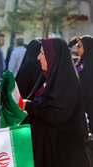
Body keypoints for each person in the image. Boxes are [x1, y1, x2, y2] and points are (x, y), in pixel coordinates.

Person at [23, 38, 90, 167]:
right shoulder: (47, 77)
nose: (38, 57)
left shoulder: (67, 82)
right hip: (47, 149)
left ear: (53, 56)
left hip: (63, 153)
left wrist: (29, 106)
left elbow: (58, 114)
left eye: (42, 53)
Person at [76, 35, 93, 163]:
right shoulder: (80, 61)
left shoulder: (89, 64)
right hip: (82, 106)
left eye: (79, 46)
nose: (77, 48)